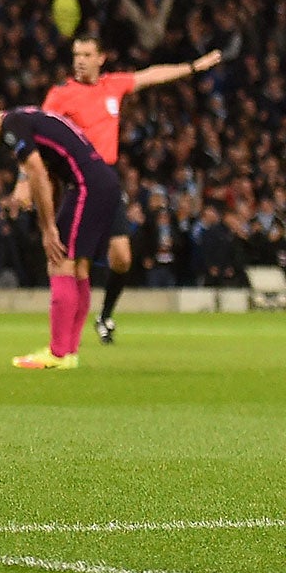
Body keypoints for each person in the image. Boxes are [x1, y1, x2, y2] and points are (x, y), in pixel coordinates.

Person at [42, 32, 221, 343]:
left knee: (122, 257)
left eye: (86, 55)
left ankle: (105, 315)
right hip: (77, 182)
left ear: (101, 59)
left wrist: (193, 67)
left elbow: (152, 75)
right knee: (75, 263)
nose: (80, 61)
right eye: (76, 55)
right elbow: (39, 137)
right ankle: (66, 339)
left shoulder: (113, 85)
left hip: (107, 180)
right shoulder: (60, 95)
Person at [0, 103, 120, 371]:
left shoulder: (12, 126)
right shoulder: (30, 116)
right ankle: (68, 352)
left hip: (86, 186)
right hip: (103, 183)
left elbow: (37, 172)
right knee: (79, 268)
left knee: (59, 261)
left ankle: (57, 353)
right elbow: (54, 172)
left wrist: (48, 229)